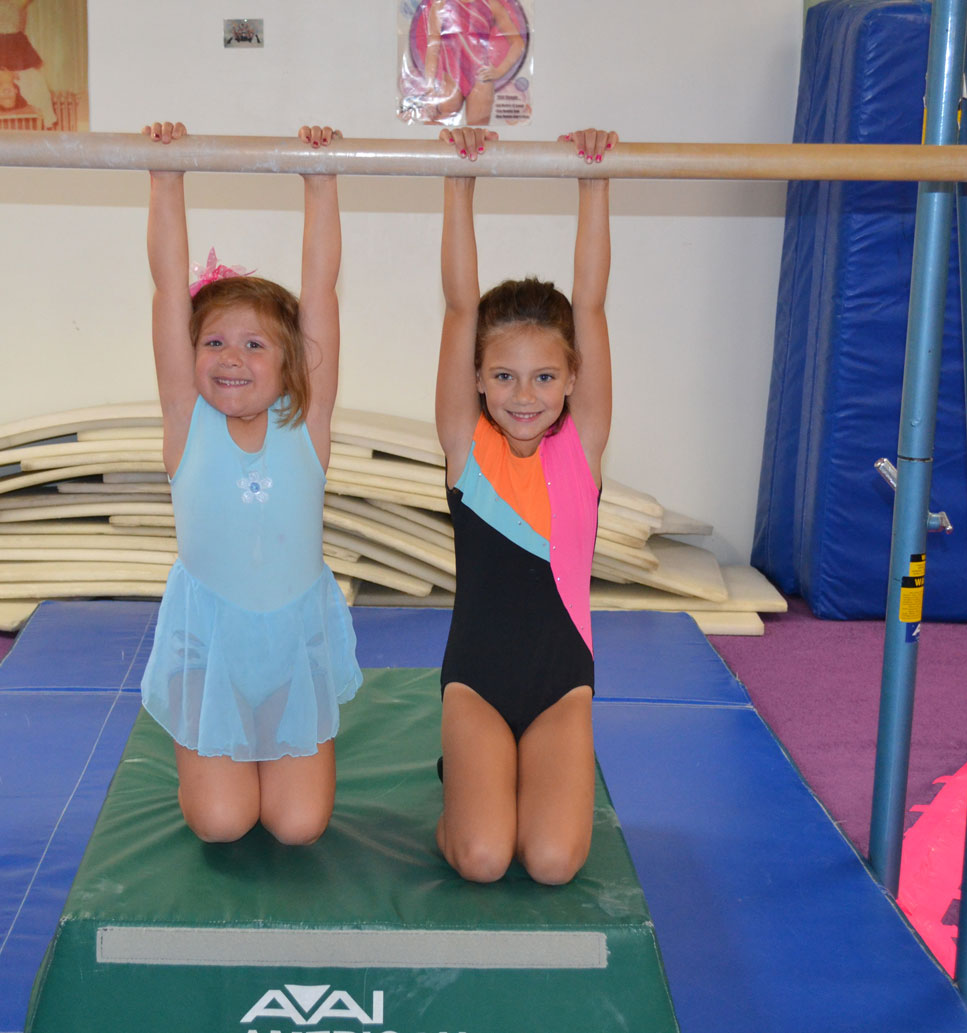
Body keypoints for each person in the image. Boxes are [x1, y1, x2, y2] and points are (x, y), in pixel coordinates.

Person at [139, 121, 361, 846]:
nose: (231, 357)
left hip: (294, 643)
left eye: (254, 343)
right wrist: (165, 175)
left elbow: (321, 286)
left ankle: (268, 745)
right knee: (222, 822)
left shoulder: (307, 424)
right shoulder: (188, 419)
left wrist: (319, 178)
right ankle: (211, 764)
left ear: (290, 358)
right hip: (210, 645)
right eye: (213, 341)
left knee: (298, 826)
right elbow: (169, 286)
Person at [434, 126, 616, 884]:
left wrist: (595, 182)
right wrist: (457, 177)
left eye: (544, 377)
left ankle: (517, 777)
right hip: (477, 678)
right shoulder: (464, 446)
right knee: (481, 857)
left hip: (560, 682)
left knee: (549, 861)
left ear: (572, 378)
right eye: (504, 375)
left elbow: (594, 303)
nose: (524, 395)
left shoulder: (583, 447)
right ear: (478, 378)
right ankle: (464, 784)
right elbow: (456, 304)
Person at [407, 0, 527, 126]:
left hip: (481, 81)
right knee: (434, 131)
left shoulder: (491, 5)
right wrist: (430, 88)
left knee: (478, 136)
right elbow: (433, 49)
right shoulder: (440, 5)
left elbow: (518, 43)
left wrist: (499, 71)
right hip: (451, 81)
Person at [0, 0, 57, 128]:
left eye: (3, 98)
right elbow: (42, 103)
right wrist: (44, 115)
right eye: (10, 97)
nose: (7, 94)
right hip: (16, 47)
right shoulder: (28, 77)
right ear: (15, 91)